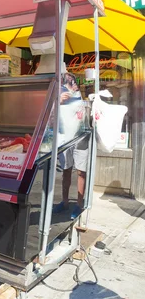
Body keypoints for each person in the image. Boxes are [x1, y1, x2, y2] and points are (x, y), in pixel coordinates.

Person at [53, 72, 87, 220]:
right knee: (66, 170)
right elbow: (50, 114)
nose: (71, 85)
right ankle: (65, 202)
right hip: (65, 137)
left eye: (73, 82)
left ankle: (79, 204)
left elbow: (85, 116)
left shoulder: (81, 97)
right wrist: (59, 101)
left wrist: (85, 108)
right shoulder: (58, 96)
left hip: (80, 138)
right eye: (68, 82)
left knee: (81, 171)